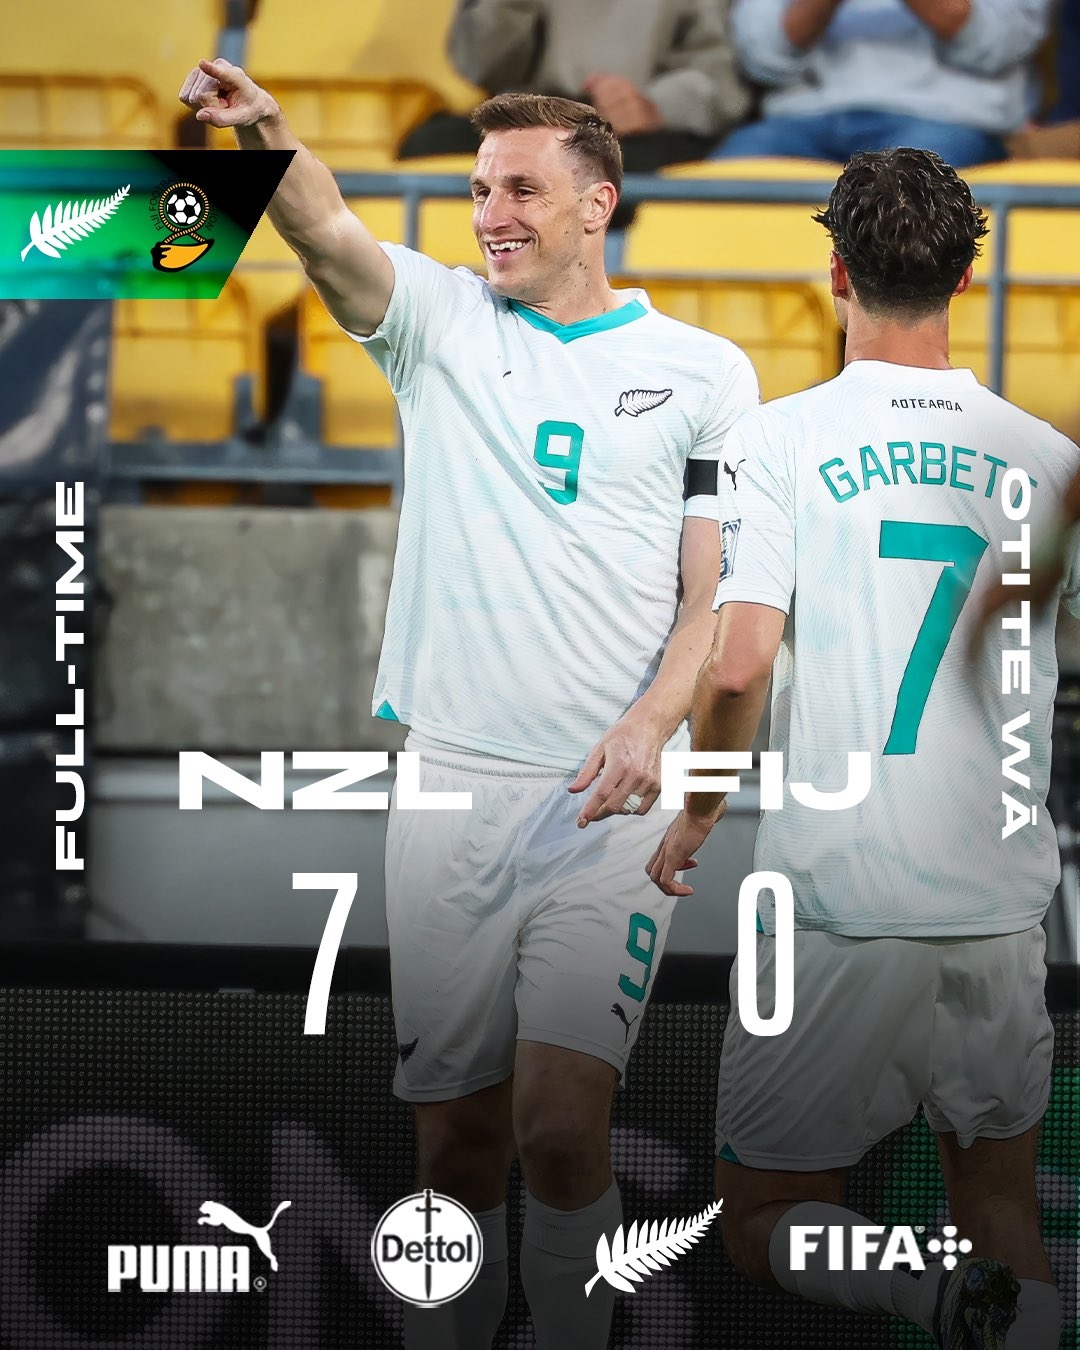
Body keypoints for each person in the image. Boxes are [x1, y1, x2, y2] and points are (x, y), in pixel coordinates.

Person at [179, 59, 759, 1350]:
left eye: (522, 191)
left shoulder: (706, 371)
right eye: (481, 189)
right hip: (448, 789)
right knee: (454, 1149)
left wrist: (654, 723)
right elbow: (325, 229)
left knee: (560, 1128)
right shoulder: (437, 320)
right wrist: (266, 135)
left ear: (598, 204)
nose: (492, 215)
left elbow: (714, 597)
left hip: (604, 806)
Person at [648, 147, 1074, 1348]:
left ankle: (917, 1291)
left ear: (835, 271)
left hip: (838, 904)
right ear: (965, 277)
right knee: (999, 1210)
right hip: (999, 906)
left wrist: (699, 808)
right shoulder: (1047, 458)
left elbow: (738, 664)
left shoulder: (777, 441)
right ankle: (994, 1310)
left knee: (762, 1215)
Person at [399, 0, 750, 224]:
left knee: (605, 176)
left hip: (637, 129)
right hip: (534, 112)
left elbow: (722, 82)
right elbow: (479, 66)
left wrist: (652, 106)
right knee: (428, 146)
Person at [716, 0, 1055, 167]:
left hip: (944, 121)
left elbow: (1005, 42)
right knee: (722, 184)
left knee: (905, 196)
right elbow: (761, 58)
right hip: (802, 121)